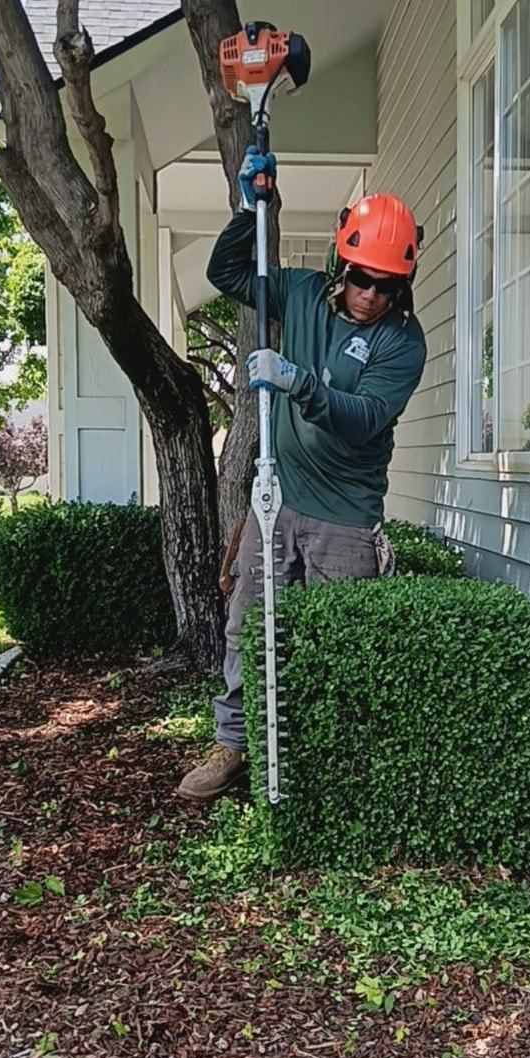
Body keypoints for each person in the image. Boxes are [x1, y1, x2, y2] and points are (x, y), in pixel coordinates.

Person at [178, 147, 427, 800]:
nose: (370, 294)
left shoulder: (402, 341)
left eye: (385, 285)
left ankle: (332, 769)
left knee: (337, 642)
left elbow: (365, 417)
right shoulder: (299, 293)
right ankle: (232, 745)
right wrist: (248, 208)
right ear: (341, 264)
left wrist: (297, 381)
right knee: (247, 622)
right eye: (362, 278)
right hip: (276, 501)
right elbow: (226, 271)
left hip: (344, 518)